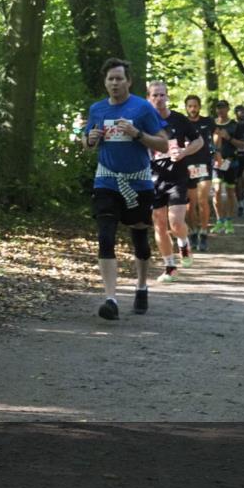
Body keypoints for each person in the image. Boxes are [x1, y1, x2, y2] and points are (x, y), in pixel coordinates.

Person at [84, 58, 169, 320]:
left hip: (138, 182)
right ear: (105, 82)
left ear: (128, 81)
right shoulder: (97, 109)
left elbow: (164, 144)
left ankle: (141, 286)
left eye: (119, 78)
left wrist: (137, 134)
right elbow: (86, 144)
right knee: (105, 237)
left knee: (140, 239)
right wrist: (90, 140)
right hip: (107, 181)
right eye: (110, 79)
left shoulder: (142, 108)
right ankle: (110, 299)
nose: (115, 83)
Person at [146, 81, 203, 281]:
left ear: (167, 97)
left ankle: (184, 243)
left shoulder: (178, 119)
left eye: (162, 95)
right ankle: (170, 267)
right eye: (155, 95)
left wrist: (184, 152)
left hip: (177, 177)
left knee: (176, 222)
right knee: (159, 224)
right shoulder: (144, 121)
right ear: (148, 98)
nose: (159, 99)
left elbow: (199, 141)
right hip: (153, 178)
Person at [183, 95, 215, 252]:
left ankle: (203, 232)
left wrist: (217, 152)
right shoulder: (182, 123)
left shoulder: (208, 122)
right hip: (187, 166)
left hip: (204, 164)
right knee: (191, 204)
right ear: (186, 107)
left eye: (195, 106)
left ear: (199, 107)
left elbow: (217, 135)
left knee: (203, 201)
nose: (193, 109)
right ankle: (193, 231)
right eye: (190, 106)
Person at [211, 100, 244, 233]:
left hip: (231, 162)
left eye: (223, 107)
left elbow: (243, 145)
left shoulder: (235, 125)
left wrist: (228, 138)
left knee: (230, 192)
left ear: (228, 109)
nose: (220, 110)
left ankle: (229, 221)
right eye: (218, 108)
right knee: (216, 190)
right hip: (215, 162)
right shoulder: (211, 124)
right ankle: (219, 220)